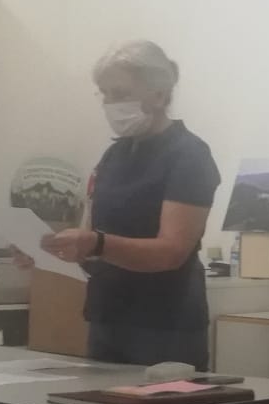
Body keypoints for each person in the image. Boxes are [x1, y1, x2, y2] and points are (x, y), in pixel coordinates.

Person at [29, 40, 222, 370]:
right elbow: (92, 243)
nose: (110, 104)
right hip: (107, 317)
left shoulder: (189, 155)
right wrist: (45, 250)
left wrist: (96, 243)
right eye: (104, 94)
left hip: (165, 325)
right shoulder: (114, 155)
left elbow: (171, 251)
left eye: (119, 93)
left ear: (158, 95)